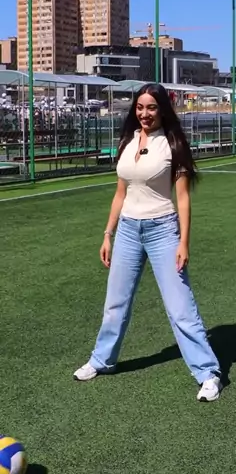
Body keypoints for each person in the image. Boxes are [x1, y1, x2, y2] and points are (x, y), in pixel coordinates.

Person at [74, 83, 222, 402]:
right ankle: (102, 360)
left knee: (180, 308)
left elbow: (183, 199)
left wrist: (184, 242)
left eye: (151, 107)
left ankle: (208, 373)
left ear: (162, 110)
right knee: (115, 303)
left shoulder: (173, 143)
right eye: (140, 107)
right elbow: (120, 193)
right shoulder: (127, 141)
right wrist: (108, 234)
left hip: (162, 230)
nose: (145, 113)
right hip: (128, 230)